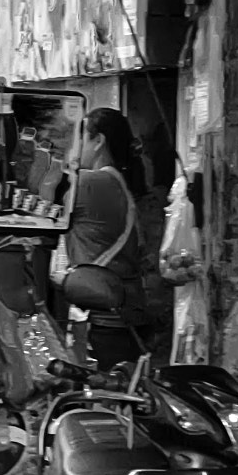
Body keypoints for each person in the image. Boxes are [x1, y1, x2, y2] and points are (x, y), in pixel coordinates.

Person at [63, 107, 154, 369]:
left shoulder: (91, 183)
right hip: (125, 316)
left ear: (98, 141)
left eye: (79, 138)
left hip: (106, 323)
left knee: (104, 401)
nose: (73, 147)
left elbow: (40, 195)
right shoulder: (117, 181)